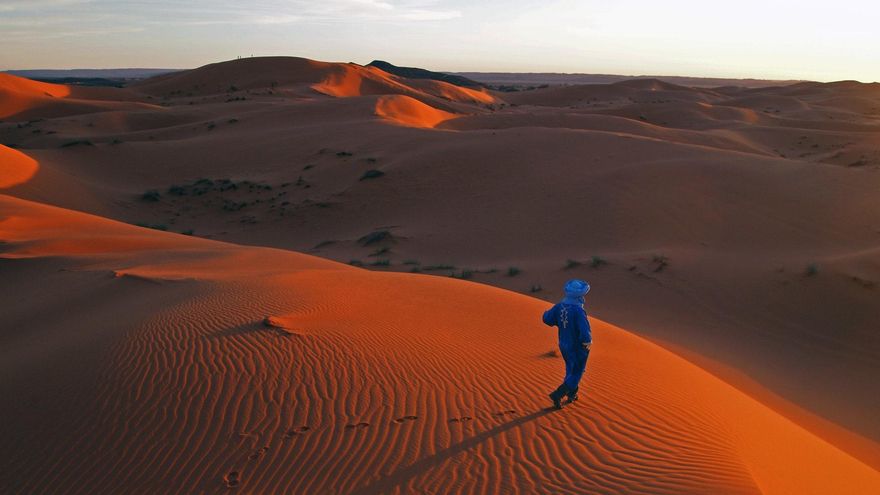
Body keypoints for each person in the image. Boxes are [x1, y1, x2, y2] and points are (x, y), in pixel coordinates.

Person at [542, 279, 592, 409]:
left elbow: (547, 318)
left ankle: (572, 394)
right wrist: (587, 342)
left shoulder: (560, 306)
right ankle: (558, 394)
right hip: (577, 346)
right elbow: (585, 331)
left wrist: (557, 319)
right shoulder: (578, 311)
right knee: (577, 371)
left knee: (571, 368)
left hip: (563, 343)